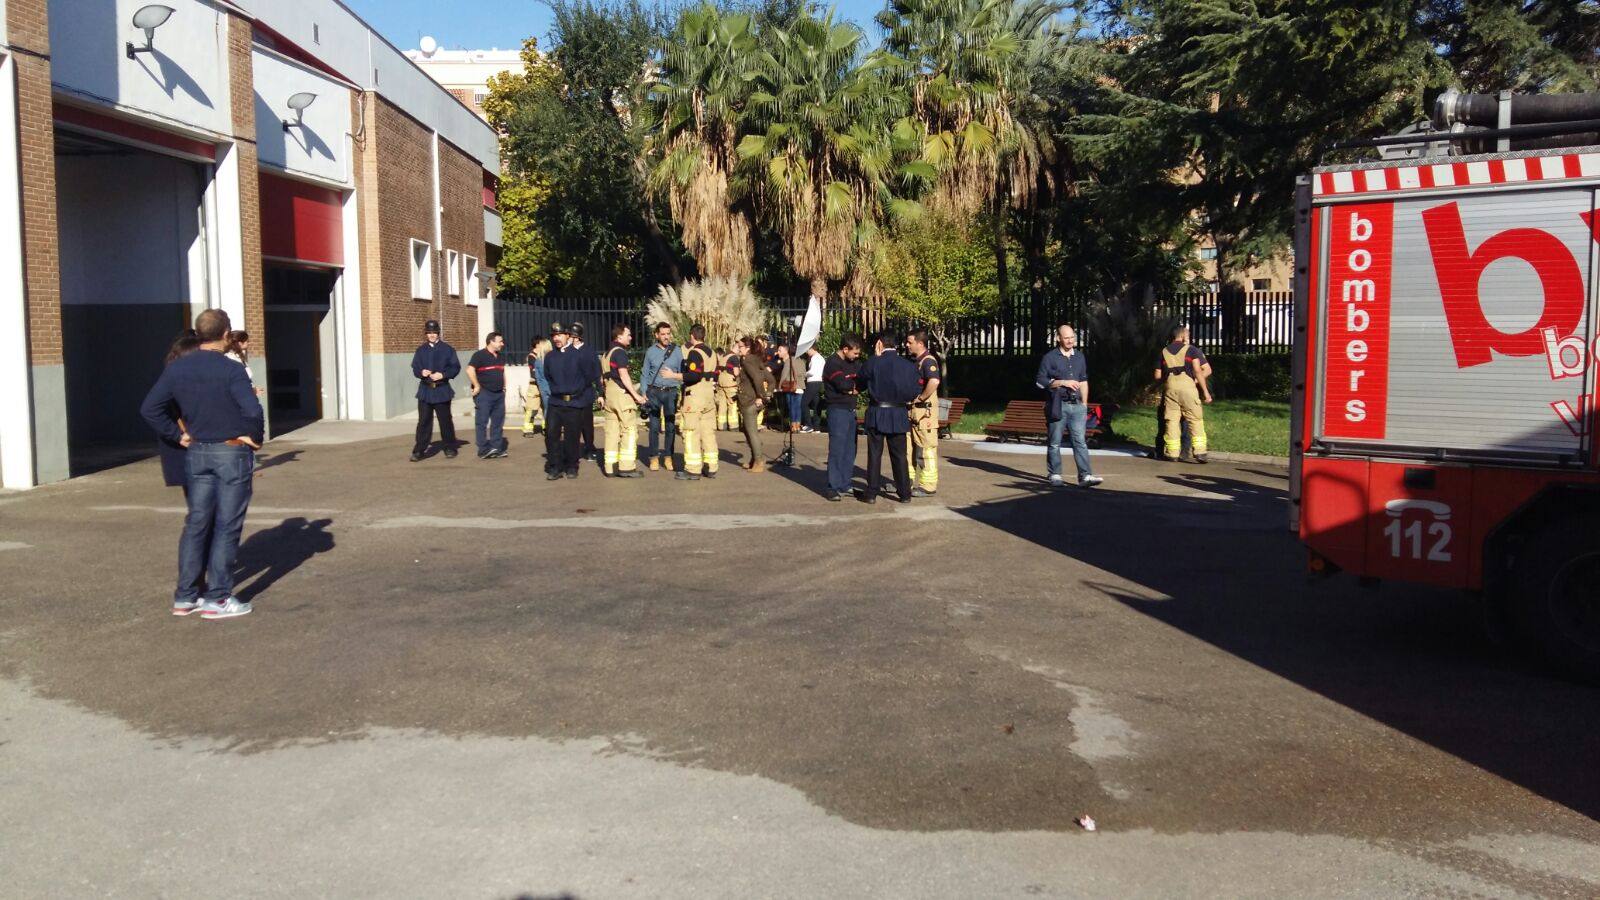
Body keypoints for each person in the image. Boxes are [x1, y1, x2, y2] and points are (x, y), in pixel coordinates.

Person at [138, 308, 263, 619]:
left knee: (197, 523)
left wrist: (178, 435)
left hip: (197, 453)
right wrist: (255, 437)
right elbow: (253, 410)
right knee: (226, 524)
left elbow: (150, 408)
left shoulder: (177, 369)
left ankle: (186, 596)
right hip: (230, 452)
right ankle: (218, 598)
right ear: (225, 334)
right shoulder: (231, 370)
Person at [1035, 324, 1104, 488]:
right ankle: (1055, 474)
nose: (1070, 341)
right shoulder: (1050, 357)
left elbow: (1084, 381)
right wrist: (1062, 382)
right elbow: (1040, 380)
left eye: (1072, 337)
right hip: (1058, 405)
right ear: (1058, 338)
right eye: (1066, 338)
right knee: (1055, 442)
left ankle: (1085, 476)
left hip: (1077, 406)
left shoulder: (1079, 357)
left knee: (1080, 441)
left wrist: (1085, 404)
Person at [858, 331, 918, 504]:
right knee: (899, 455)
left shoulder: (873, 362)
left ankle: (871, 493)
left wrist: (874, 359)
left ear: (879, 344)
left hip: (877, 411)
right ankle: (905, 492)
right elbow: (915, 390)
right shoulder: (908, 365)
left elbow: (861, 381)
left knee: (875, 454)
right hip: (898, 412)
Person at [543, 321, 602, 479]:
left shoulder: (578, 355)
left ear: (568, 336)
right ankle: (555, 466)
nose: (556, 338)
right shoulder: (549, 357)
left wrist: (578, 392)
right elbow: (548, 376)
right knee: (551, 434)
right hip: (556, 402)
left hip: (574, 402)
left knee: (572, 436)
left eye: (560, 335)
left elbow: (589, 375)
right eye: (554, 335)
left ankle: (571, 465)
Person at [1155, 323, 1212, 463]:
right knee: (1195, 419)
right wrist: (1205, 392)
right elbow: (1198, 371)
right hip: (1188, 386)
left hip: (1170, 388)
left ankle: (1172, 453)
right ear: (1182, 335)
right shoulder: (1191, 350)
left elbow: (1157, 376)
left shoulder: (1164, 351)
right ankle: (1200, 452)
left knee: (1172, 421)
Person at [821, 335, 865, 501]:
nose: (856, 356)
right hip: (837, 410)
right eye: (854, 353)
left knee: (850, 449)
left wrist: (854, 388)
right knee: (837, 449)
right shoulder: (833, 363)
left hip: (850, 410)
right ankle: (833, 486)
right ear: (845, 349)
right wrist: (851, 387)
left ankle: (845, 483)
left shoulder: (853, 363)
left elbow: (862, 379)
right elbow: (842, 384)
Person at [158, 329, 202, 490]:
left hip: (191, 448)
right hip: (193, 448)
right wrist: (178, 434)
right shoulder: (176, 381)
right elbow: (151, 409)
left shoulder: (171, 376)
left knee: (199, 507)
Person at [410, 320, 460, 462]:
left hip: (442, 389)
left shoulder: (448, 349)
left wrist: (443, 375)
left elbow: (455, 367)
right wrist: (421, 372)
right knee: (424, 421)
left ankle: (450, 447)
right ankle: (419, 450)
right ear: (426, 334)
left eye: (434, 332)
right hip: (425, 390)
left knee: (445, 420)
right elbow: (415, 368)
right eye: (429, 332)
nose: (431, 335)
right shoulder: (421, 350)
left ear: (438, 333)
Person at [601, 323, 646, 478]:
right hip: (621, 395)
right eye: (628, 334)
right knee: (629, 430)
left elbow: (603, 378)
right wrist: (636, 395)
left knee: (612, 432)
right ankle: (627, 467)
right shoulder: (620, 352)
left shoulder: (607, 354)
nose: (631, 337)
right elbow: (623, 375)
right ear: (619, 336)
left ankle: (610, 467)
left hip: (610, 395)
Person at [677, 324, 721, 481]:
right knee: (708, 432)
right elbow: (716, 374)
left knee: (691, 431)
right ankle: (711, 466)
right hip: (709, 394)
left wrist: (674, 375)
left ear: (692, 336)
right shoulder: (712, 353)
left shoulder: (694, 352)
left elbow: (693, 376)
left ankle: (692, 469)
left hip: (695, 395)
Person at [640, 321, 683, 471]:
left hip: (671, 392)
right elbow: (644, 373)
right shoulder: (651, 351)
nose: (666, 337)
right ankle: (653, 457)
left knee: (671, 426)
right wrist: (644, 392)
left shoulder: (677, 351)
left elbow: (682, 374)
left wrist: (682, 392)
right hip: (654, 392)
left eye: (668, 334)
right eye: (663, 334)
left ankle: (668, 457)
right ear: (657, 335)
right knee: (654, 426)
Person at [905, 329, 942, 498]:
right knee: (909, 448)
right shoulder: (916, 361)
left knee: (927, 449)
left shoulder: (928, 361)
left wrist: (921, 397)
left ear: (920, 344)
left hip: (924, 412)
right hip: (914, 412)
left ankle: (928, 485)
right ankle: (907, 480)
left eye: (910, 342)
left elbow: (934, 381)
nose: (907, 345)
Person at [467, 331, 510, 460]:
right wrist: (477, 385)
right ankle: (483, 449)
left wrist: (504, 387)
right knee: (482, 422)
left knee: (498, 422)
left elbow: (502, 372)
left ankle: (496, 448)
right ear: (491, 341)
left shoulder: (500, 357)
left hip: (498, 395)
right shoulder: (479, 355)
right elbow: (469, 370)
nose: (502, 344)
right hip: (485, 394)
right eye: (500, 341)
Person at [735, 336, 775, 471]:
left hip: (749, 401)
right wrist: (767, 394)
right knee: (748, 431)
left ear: (747, 348)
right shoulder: (756, 360)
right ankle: (754, 460)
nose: (737, 348)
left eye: (740, 346)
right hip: (751, 400)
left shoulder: (747, 362)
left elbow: (758, 378)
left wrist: (761, 395)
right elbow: (770, 379)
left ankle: (758, 461)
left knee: (751, 432)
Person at [569, 322, 599, 462]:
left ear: (578, 337)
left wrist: (601, 393)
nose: (570, 338)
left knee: (587, 424)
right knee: (572, 424)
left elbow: (596, 371)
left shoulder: (589, 351)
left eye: (573, 336)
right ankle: (572, 450)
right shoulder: (566, 351)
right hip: (571, 393)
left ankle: (589, 448)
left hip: (586, 392)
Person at [521, 336, 551, 436]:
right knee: (532, 408)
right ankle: (528, 429)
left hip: (542, 384)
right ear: (537, 344)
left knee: (545, 407)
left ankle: (546, 427)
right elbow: (534, 372)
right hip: (534, 385)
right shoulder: (532, 356)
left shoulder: (542, 355)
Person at [223, 330, 264, 398]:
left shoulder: (239, 356)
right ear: (240, 343)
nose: (249, 343)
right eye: (247, 341)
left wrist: (253, 390)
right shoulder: (231, 358)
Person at [775, 343, 804, 432]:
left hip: (790, 386)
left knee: (791, 406)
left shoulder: (789, 361)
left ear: (788, 351)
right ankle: (797, 426)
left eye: (780, 350)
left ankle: (792, 426)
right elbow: (804, 373)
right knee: (797, 407)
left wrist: (779, 386)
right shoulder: (801, 360)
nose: (778, 352)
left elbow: (784, 374)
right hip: (800, 386)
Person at [715, 346, 741, 432]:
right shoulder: (734, 357)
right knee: (732, 405)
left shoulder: (724, 356)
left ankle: (722, 426)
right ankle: (733, 426)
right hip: (730, 384)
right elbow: (736, 373)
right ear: (737, 349)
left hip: (721, 384)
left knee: (722, 406)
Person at [801, 347, 825, 433]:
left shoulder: (815, 358)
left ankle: (808, 425)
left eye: (808, 350)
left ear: (812, 349)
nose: (807, 352)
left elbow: (812, 372)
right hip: (818, 382)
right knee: (815, 404)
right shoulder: (820, 358)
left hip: (813, 382)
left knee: (803, 403)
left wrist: (803, 374)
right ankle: (817, 426)